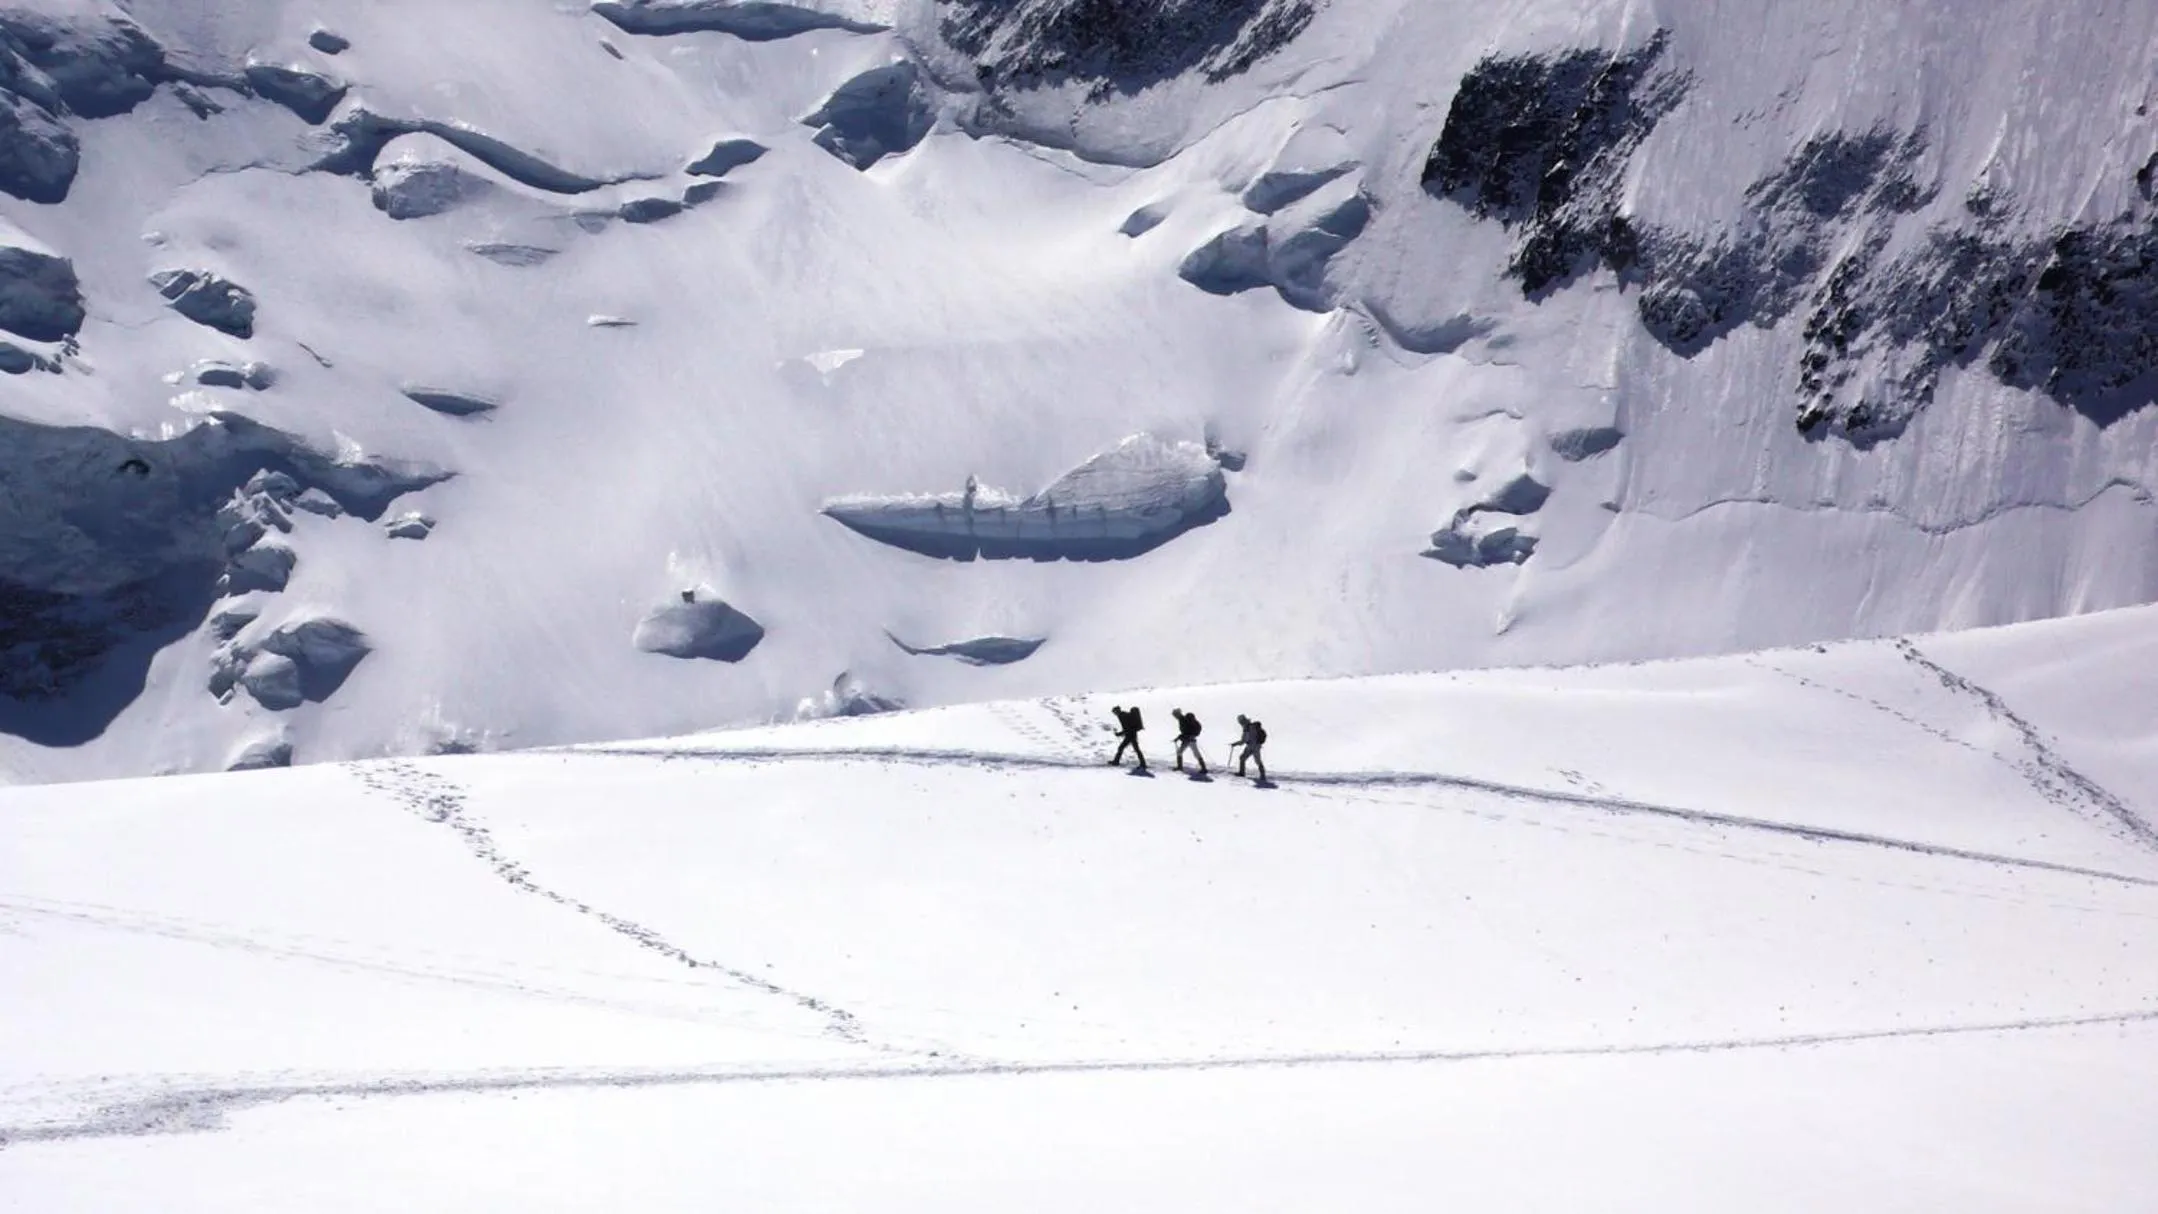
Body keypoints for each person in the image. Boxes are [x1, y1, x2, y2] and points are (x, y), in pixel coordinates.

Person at [1109, 704, 1147, 771]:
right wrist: (1121, 733)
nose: (1114, 714)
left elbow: (1126, 728)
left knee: (1124, 748)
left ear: (1117, 711)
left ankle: (1116, 762)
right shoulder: (1123, 715)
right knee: (1135, 749)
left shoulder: (1122, 716)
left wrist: (1119, 734)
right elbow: (1127, 728)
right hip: (1131, 734)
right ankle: (1143, 764)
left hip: (1130, 735)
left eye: (1114, 712)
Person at [1231, 714, 1267, 782]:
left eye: (1240, 722)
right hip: (1256, 746)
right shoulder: (1251, 726)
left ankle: (1242, 773)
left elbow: (1243, 741)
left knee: (1244, 758)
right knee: (1256, 760)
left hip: (1252, 746)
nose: (1240, 723)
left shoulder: (1246, 728)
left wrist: (1235, 744)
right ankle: (1262, 775)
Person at [1171, 709, 1207, 774]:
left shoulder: (1183, 720)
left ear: (1177, 714)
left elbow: (1186, 731)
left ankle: (1180, 767)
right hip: (1191, 739)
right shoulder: (1183, 719)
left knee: (1180, 752)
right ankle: (1204, 768)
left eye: (1175, 715)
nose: (1175, 717)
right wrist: (1179, 737)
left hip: (1188, 740)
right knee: (1195, 753)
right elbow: (1186, 731)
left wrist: (1179, 737)